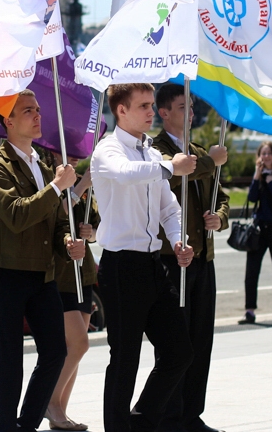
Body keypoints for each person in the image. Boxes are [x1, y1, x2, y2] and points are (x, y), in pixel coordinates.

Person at [90, 83, 196, 432]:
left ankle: (140, 422)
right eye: (144, 106)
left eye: (152, 105)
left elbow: (170, 209)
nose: (151, 112)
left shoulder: (150, 155)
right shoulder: (107, 150)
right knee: (125, 359)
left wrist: (179, 240)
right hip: (121, 266)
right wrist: (169, 166)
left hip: (153, 265)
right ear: (121, 110)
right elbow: (123, 175)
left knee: (179, 352)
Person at [0, 90, 81, 432]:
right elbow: (16, 215)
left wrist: (68, 239)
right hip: (5, 272)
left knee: (55, 353)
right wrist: (55, 187)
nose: (38, 116)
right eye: (28, 111)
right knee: (10, 361)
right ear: (8, 121)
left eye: (37, 109)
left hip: (41, 272)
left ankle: (26, 424)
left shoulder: (41, 161)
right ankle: (7, 427)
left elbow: (53, 219)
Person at [152, 84, 229, 432]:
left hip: (203, 259)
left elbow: (222, 197)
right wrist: (212, 161)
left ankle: (190, 415)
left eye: (192, 106)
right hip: (172, 258)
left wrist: (220, 217)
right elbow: (183, 173)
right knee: (176, 343)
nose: (191, 113)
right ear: (164, 112)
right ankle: (168, 416)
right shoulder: (158, 150)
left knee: (201, 341)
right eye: (183, 106)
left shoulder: (197, 150)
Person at [46, 153, 98, 432]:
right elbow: (55, 212)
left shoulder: (82, 182)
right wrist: (79, 186)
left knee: (74, 351)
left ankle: (61, 412)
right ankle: (51, 403)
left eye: (80, 153)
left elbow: (94, 225)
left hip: (83, 273)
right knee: (79, 344)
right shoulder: (48, 177)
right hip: (59, 274)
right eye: (69, 151)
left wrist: (90, 232)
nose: (76, 157)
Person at [240, 141, 272, 325]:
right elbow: (251, 198)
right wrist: (257, 176)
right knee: (251, 271)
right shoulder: (260, 176)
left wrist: (271, 182)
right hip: (259, 229)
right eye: (263, 154)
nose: (266, 157)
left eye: (269, 153)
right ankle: (249, 310)